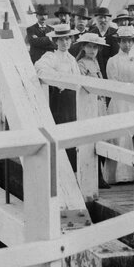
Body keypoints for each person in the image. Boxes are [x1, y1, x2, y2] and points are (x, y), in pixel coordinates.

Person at [35, 23, 81, 169]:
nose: (65, 42)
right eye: (61, 39)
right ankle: (63, 166)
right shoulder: (51, 56)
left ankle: (74, 166)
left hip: (73, 99)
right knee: (62, 130)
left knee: (74, 130)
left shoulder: (71, 58)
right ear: (56, 41)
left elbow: (78, 78)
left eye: (67, 39)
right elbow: (39, 66)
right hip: (61, 100)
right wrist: (60, 82)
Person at [105, 26, 134, 184]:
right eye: (124, 42)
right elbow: (113, 82)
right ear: (119, 42)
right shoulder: (113, 60)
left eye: (130, 41)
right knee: (120, 136)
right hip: (120, 100)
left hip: (133, 99)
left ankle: (133, 172)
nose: (127, 45)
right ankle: (119, 175)